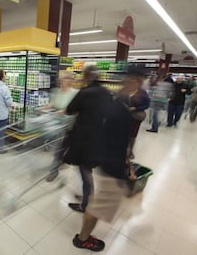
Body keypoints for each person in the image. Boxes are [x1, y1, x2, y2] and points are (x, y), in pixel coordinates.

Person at [71, 76, 132, 252]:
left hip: (100, 159)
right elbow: (114, 139)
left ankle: (83, 232)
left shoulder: (112, 104)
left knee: (95, 202)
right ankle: (82, 239)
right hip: (107, 164)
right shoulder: (117, 107)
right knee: (97, 206)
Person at [64, 66, 112, 214]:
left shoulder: (85, 92)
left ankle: (86, 204)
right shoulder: (107, 92)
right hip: (101, 136)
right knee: (87, 170)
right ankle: (86, 195)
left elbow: (70, 109)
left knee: (85, 171)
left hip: (84, 139)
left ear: (86, 77)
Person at [45, 71, 78, 182]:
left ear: (71, 80)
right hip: (58, 126)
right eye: (61, 78)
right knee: (58, 149)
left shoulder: (75, 93)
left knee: (61, 149)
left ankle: (57, 168)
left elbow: (77, 109)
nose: (61, 80)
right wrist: (43, 108)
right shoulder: (57, 92)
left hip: (70, 126)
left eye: (65, 78)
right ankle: (55, 168)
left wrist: (65, 111)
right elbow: (52, 104)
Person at [118, 68, 150, 159]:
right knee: (122, 134)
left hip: (135, 117)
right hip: (123, 116)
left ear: (138, 82)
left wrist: (135, 108)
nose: (131, 82)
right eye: (130, 80)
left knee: (132, 135)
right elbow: (117, 100)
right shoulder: (123, 90)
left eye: (134, 80)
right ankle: (121, 149)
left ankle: (131, 150)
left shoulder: (142, 93)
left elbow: (146, 105)